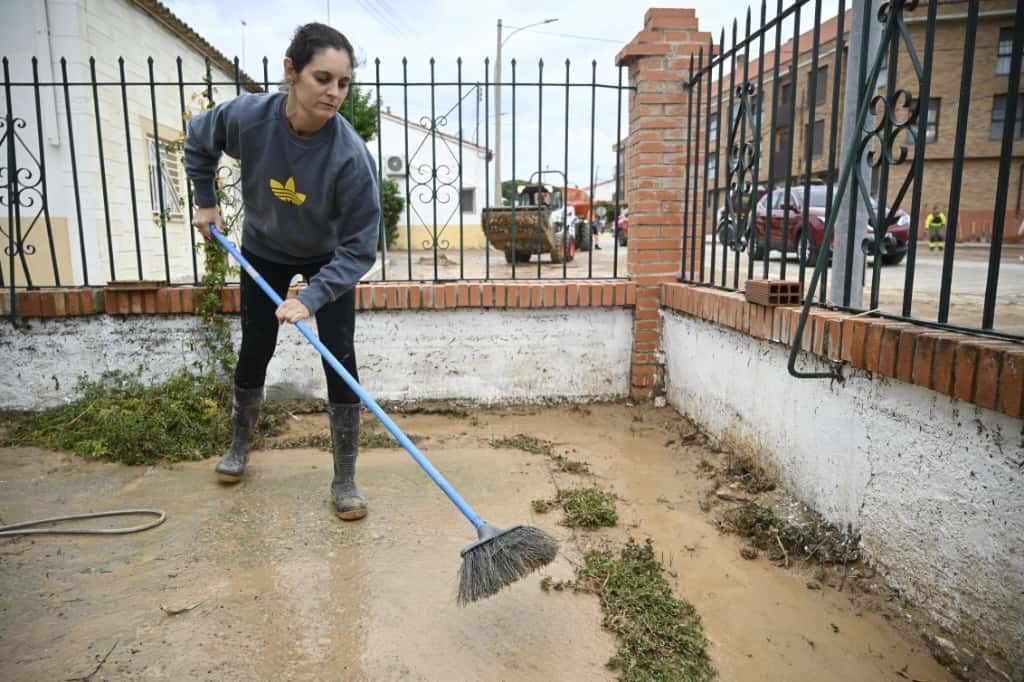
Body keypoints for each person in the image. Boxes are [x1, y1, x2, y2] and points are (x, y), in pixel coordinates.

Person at [184, 23, 380, 521]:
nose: (335, 93)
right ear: (291, 71)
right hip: (265, 250)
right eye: (323, 78)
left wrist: (312, 296)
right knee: (256, 346)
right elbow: (198, 140)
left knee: (340, 358)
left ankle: (345, 479)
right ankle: (239, 446)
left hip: (327, 256)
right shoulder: (249, 118)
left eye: (343, 83)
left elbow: (360, 248)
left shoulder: (350, 156)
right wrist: (206, 203)